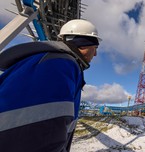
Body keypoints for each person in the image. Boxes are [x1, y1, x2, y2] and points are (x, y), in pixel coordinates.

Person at [0, 19, 101, 152]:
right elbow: (43, 132)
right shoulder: (60, 65)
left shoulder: (47, 61)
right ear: (83, 44)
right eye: (95, 48)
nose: (95, 54)